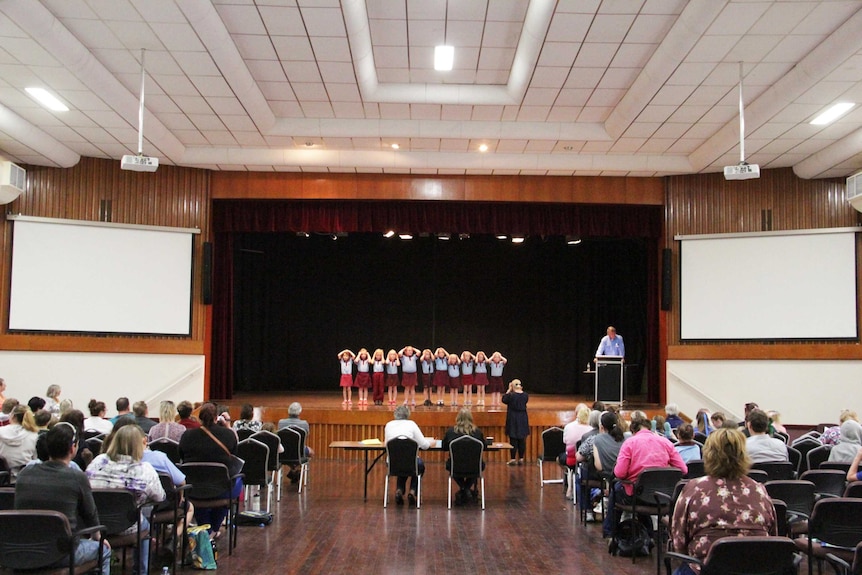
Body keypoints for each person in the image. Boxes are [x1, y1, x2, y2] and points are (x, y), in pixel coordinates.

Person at [670, 427, 776, 575]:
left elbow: (678, 540)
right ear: (743, 455)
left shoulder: (694, 489)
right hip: (754, 568)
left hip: (706, 569)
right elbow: (772, 534)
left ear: (709, 454)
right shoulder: (759, 490)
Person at [15, 423, 112, 575]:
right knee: (103, 550)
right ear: (73, 448)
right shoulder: (77, 477)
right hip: (61, 554)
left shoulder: (24, 474)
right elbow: (90, 514)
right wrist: (97, 537)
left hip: (21, 550)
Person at [86, 424, 165, 575]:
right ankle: (141, 571)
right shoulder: (145, 469)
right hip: (127, 525)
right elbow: (159, 497)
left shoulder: (98, 461)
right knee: (146, 524)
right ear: (141, 443)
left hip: (95, 524)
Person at [605, 412, 687, 539]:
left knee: (616, 490)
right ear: (650, 428)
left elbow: (619, 473)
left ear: (633, 430)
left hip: (637, 495)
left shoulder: (630, 443)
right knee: (642, 492)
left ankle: (610, 532)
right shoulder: (666, 443)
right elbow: (683, 469)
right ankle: (648, 534)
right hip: (662, 496)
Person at [179, 403, 242, 537]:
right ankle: (213, 528)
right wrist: (227, 428)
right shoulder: (228, 435)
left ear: (200, 418)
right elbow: (234, 456)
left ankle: (205, 528)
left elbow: (182, 457)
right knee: (236, 479)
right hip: (221, 489)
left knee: (200, 489)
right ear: (216, 418)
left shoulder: (187, 436)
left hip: (193, 489)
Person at [383, 405, 430, 506]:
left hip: (392, 463)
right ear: (408, 414)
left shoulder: (388, 425)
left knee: (401, 464)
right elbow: (425, 445)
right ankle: (412, 491)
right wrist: (431, 442)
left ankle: (399, 490)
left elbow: (386, 443)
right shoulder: (412, 425)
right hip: (410, 462)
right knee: (418, 466)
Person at [442, 408, 485, 505]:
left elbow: (444, 447)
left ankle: (464, 488)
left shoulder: (450, 432)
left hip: (455, 466)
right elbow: (484, 446)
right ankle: (467, 489)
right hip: (475, 466)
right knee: (478, 467)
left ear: (457, 418)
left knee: (451, 466)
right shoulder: (477, 432)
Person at [0, 405, 39, 477]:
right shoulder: (34, 436)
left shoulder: (1, 431)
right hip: (25, 478)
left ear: (13, 416)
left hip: (2, 478)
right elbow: (35, 460)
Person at [502, 379, 529, 465]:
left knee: (513, 439)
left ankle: (513, 458)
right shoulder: (525, 395)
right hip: (522, 418)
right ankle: (521, 458)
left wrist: (509, 390)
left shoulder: (511, 396)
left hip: (513, 418)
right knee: (522, 439)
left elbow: (504, 399)